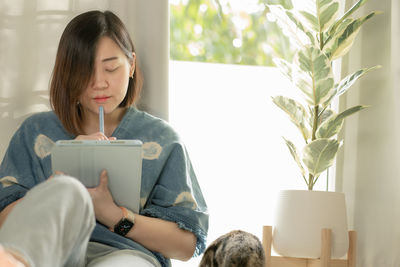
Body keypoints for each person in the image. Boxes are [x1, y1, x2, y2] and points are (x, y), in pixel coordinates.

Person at [0, 10, 208, 267]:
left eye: (110, 68)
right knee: (66, 188)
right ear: (67, 72)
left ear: (131, 65)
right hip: (46, 255)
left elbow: (186, 245)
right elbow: (3, 222)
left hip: (126, 256)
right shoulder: (34, 132)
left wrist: (114, 215)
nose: (99, 82)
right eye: (84, 70)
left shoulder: (163, 140)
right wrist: (59, 183)